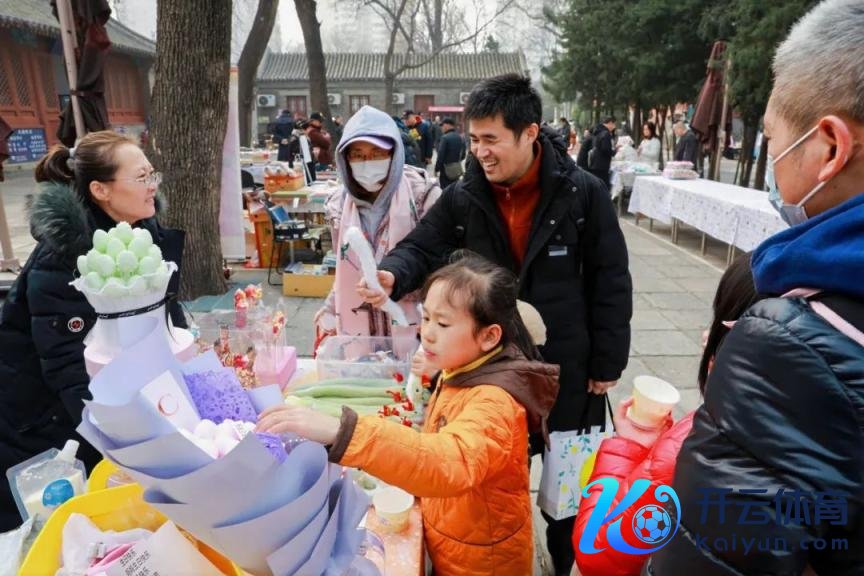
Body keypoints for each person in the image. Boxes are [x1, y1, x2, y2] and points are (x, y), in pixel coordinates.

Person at [358, 74, 632, 576]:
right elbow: (422, 245)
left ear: (530, 133)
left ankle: (564, 561)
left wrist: (607, 363)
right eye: (474, 139)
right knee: (500, 474)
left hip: (568, 366)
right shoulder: (466, 195)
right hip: (495, 369)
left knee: (569, 486)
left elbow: (610, 278)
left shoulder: (582, 194)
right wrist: (392, 274)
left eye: (491, 139)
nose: (480, 152)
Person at [651, 1, 864, 573]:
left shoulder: (789, 346)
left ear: (829, 147)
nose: (772, 160)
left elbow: (714, 554)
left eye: (770, 138)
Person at [259, 253, 559, 575]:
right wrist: (434, 373)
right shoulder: (464, 367)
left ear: (489, 337)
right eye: (425, 317)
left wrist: (343, 431)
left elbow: (447, 462)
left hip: (483, 561)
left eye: (443, 323)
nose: (427, 332)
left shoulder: (495, 404)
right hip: (455, 537)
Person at [0, 131, 187, 531]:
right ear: (101, 190)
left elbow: (166, 319)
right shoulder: (65, 258)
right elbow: (67, 368)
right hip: (46, 424)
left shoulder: (140, 236)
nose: (152, 185)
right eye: (141, 177)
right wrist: (127, 442)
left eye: (152, 173)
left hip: (110, 404)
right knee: (59, 530)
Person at [572, 254, 758, 576]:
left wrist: (628, 447)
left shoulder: (695, 446)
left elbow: (597, 550)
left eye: (720, 325)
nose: (706, 336)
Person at [314, 105, 441, 343]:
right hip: (358, 334)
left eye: (377, 153)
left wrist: (435, 318)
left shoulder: (423, 195)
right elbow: (345, 268)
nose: (367, 162)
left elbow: (438, 263)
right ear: (345, 158)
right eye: (358, 155)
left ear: (394, 153)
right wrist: (330, 308)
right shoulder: (338, 205)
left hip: (416, 329)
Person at [434, 117, 466, 189]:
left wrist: (437, 168)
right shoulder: (460, 137)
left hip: (445, 170)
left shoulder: (445, 138)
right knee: (454, 188)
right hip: (456, 170)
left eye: (442, 125)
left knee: (445, 190)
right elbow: (463, 154)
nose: (441, 128)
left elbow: (440, 156)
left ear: (447, 125)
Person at [587, 116, 616, 188]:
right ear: (610, 123)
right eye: (614, 124)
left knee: (597, 185)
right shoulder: (605, 133)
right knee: (604, 186)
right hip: (602, 165)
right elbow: (605, 149)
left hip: (595, 163)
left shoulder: (598, 131)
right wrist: (614, 152)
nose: (614, 127)